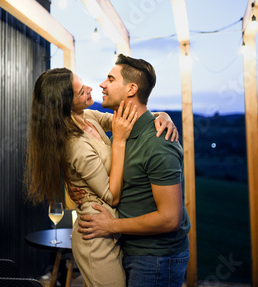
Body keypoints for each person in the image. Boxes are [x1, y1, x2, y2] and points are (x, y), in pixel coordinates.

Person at [24, 67, 178, 287]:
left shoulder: (88, 117)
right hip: (95, 233)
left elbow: (130, 118)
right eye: (80, 92)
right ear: (65, 104)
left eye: (83, 83)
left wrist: (163, 115)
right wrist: (120, 142)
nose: (90, 88)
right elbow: (111, 196)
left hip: (112, 228)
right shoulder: (75, 144)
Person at [70, 54, 191, 287]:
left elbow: (170, 218)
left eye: (110, 79)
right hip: (130, 249)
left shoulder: (158, 143)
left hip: (156, 258)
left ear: (132, 89)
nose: (102, 85)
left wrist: (111, 226)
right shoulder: (121, 131)